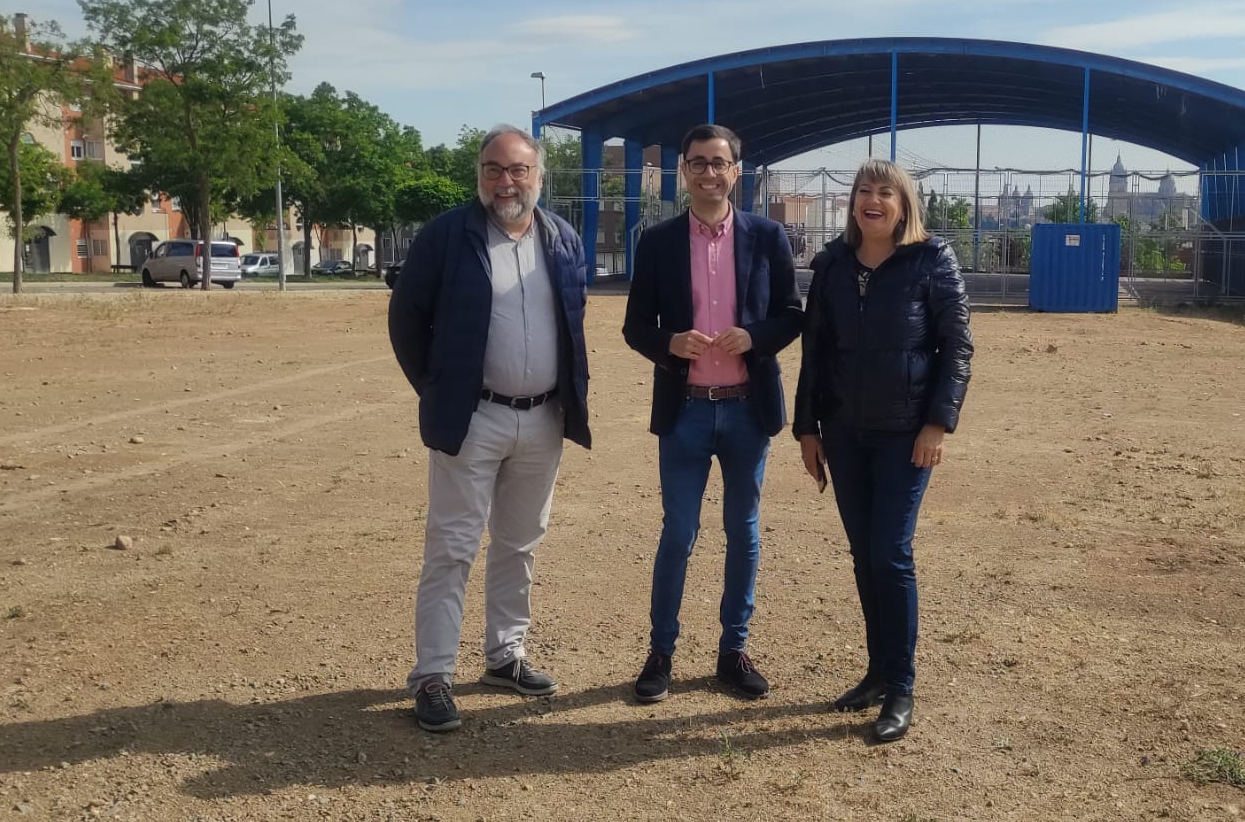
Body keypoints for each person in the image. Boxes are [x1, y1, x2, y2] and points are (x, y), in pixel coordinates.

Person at [387, 125, 593, 733]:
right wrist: (441, 390)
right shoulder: (448, 237)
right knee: (451, 547)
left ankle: (505, 656)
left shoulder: (560, 237)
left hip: (544, 418)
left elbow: (573, 323)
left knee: (520, 541)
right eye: (493, 170)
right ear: (479, 176)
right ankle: (432, 675)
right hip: (474, 418)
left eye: (518, 170)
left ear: (538, 175)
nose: (506, 182)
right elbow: (407, 320)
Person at [622, 124, 804, 703]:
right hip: (686, 414)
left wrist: (755, 337)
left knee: (743, 532)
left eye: (718, 163)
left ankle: (734, 651)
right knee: (679, 531)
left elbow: (792, 314)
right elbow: (634, 327)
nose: (708, 173)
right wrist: (668, 343)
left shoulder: (768, 236)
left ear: (736, 171)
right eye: (697, 163)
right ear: (683, 170)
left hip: (748, 410)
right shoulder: (656, 242)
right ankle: (661, 653)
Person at [794, 159, 972, 743]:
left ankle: (901, 685)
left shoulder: (930, 261)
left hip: (904, 436)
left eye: (885, 193)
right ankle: (875, 672)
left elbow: (957, 347)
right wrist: (808, 429)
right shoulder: (833, 266)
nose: (872, 201)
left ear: (903, 205)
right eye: (863, 192)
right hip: (844, 433)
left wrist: (937, 426)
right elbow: (815, 353)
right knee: (863, 553)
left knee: (890, 553)